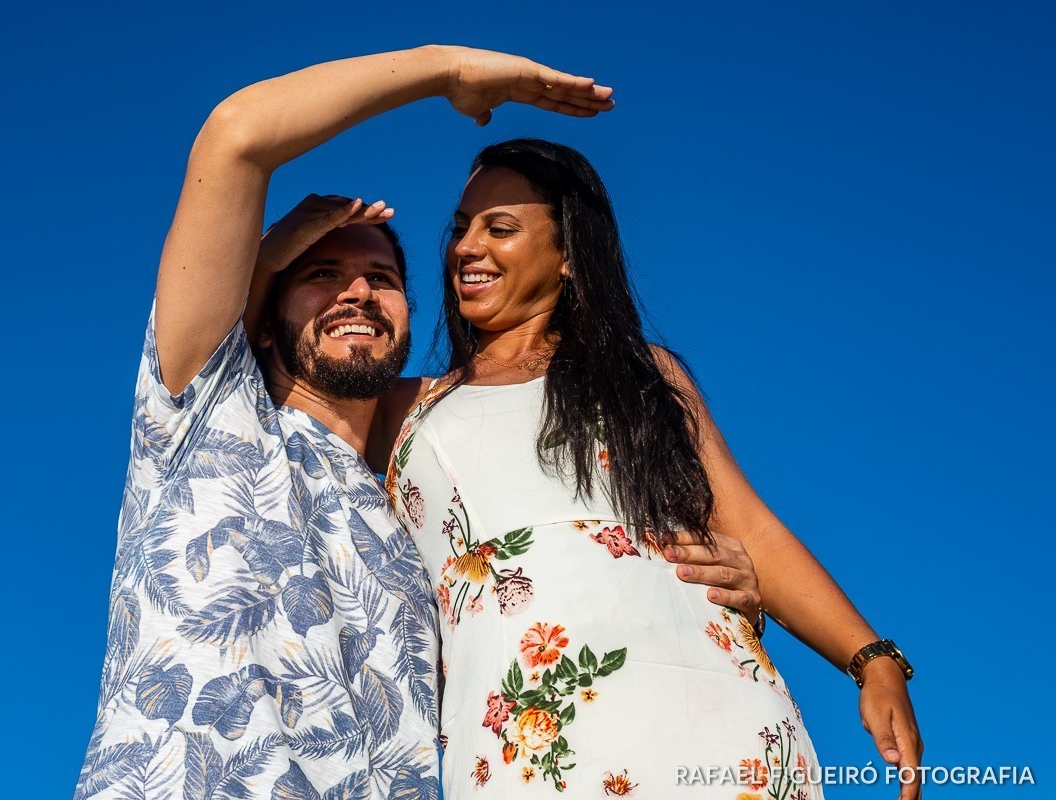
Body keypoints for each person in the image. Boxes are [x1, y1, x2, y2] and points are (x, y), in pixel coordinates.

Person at [75, 46, 771, 800]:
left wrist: (703, 581)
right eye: (320, 275)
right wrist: (447, 71)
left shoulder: (421, 535)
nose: (358, 293)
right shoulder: (201, 417)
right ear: (265, 318)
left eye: (383, 279)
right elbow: (236, 135)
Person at [367, 139, 924, 799]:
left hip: (716, 717)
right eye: (461, 228)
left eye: (500, 227)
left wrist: (872, 660)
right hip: (525, 745)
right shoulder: (402, 409)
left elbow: (750, 527)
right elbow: (228, 362)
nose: (465, 247)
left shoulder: (645, 374)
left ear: (569, 253)